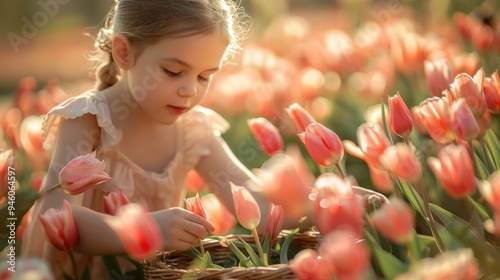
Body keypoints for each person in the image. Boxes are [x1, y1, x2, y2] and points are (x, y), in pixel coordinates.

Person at [21, 0, 385, 278]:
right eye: (174, 71)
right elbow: (56, 215)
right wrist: (139, 231)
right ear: (124, 52)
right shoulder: (90, 120)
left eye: (205, 76)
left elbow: (254, 199)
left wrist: (330, 206)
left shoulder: (193, 130)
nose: (189, 91)